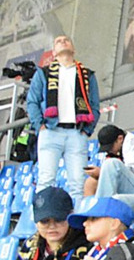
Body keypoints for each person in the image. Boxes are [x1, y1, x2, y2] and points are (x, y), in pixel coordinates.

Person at [27, 34, 100, 193]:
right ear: (53, 52)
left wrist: (87, 130)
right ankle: (44, 211)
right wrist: (40, 126)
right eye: (58, 41)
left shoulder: (87, 75)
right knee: (46, 180)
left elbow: (95, 105)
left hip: (77, 133)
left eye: (66, 40)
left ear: (73, 49)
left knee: (78, 184)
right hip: (50, 131)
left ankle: (78, 211)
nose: (63, 42)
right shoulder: (43, 73)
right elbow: (32, 101)